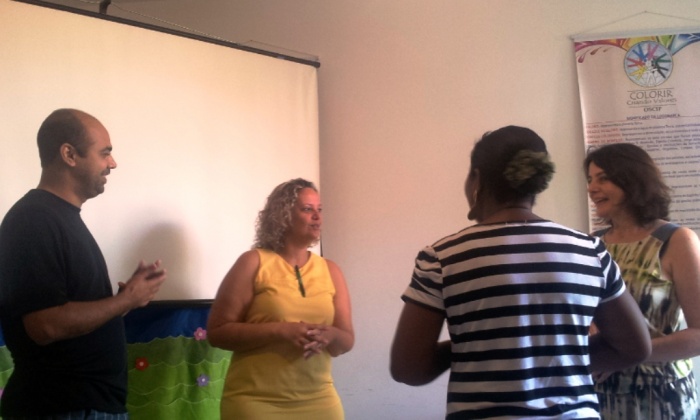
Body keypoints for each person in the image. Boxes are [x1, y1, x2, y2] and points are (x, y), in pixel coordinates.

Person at [390, 126, 652, 419]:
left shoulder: (442, 257)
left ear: (476, 178)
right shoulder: (590, 251)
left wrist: (475, 345)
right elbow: (634, 347)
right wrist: (559, 352)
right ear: (536, 181)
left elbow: (408, 368)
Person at [0, 109, 167, 419]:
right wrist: (125, 301)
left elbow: (66, 314)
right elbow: (44, 325)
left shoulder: (58, 218)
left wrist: (122, 301)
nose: (112, 163)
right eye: (105, 153)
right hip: (64, 408)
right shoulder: (34, 219)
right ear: (69, 155)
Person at [207, 178, 354, 419]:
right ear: (283, 216)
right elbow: (217, 333)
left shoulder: (331, 270)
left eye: (319, 209)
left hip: (320, 400)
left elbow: (346, 340)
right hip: (256, 403)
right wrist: (280, 331)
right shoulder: (252, 262)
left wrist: (330, 335)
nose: (317, 217)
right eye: (307, 209)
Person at [585, 142, 700, 419]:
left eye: (603, 178)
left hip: (663, 396)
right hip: (601, 396)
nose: (592, 188)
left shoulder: (676, 240)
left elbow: (699, 335)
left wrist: (624, 354)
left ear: (632, 180)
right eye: (590, 180)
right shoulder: (591, 244)